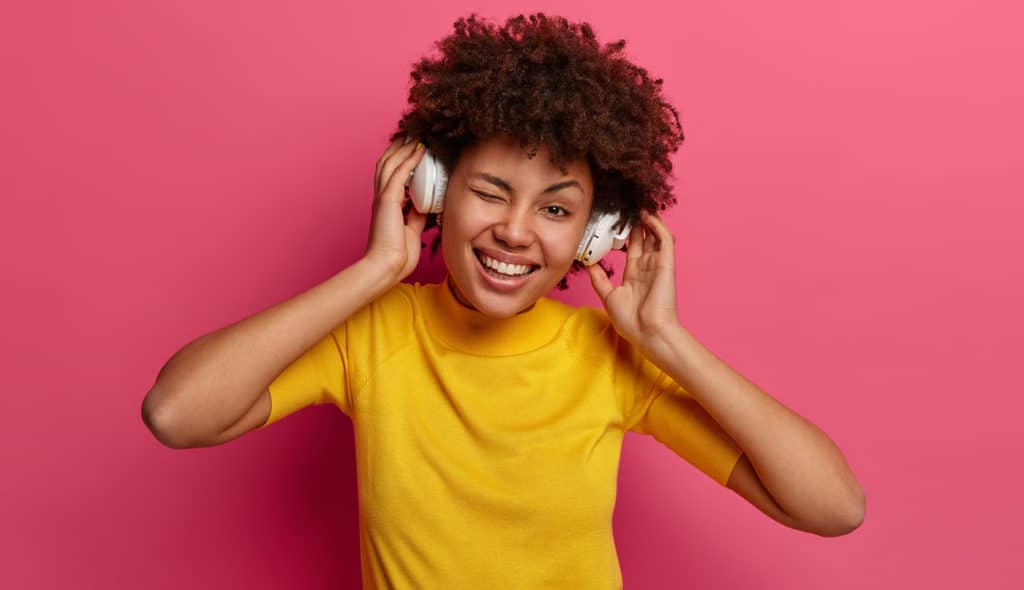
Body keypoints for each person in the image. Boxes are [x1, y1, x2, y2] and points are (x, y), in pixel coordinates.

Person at [141, 12, 865, 589]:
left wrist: (668, 342)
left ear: (596, 233)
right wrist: (372, 271)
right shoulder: (370, 335)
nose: (515, 231)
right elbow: (176, 414)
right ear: (432, 190)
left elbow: (833, 508)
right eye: (490, 191)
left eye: (555, 210)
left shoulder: (608, 360)